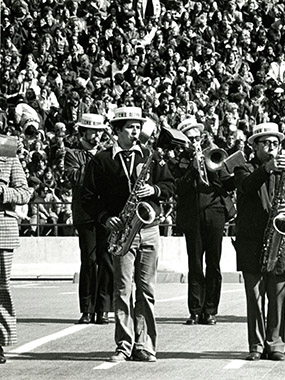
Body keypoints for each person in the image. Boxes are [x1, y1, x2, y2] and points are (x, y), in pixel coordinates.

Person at [82, 107, 175, 362]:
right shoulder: (101, 160)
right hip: (123, 230)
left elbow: (169, 186)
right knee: (122, 290)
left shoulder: (150, 156)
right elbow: (88, 198)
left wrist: (153, 189)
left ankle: (144, 345)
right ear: (117, 131)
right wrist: (104, 218)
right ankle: (124, 344)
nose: (136, 132)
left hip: (149, 228)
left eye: (138, 127)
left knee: (147, 290)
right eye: (130, 128)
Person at [234, 122, 285, 361]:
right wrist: (266, 169)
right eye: (266, 143)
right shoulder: (244, 168)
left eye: (275, 144)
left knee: (279, 296)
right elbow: (246, 186)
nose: (272, 148)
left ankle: (276, 344)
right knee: (254, 297)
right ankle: (256, 346)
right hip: (251, 239)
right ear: (254, 146)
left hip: (281, 240)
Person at [171, 118, 236, 325]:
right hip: (192, 214)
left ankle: (210, 310)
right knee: (195, 264)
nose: (195, 141)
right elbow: (177, 187)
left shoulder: (214, 153)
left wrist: (223, 168)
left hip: (215, 211)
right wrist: (191, 167)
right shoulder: (179, 160)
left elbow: (228, 184)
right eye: (191, 138)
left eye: (197, 137)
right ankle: (195, 310)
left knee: (214, 263)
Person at [64, 113, 113, 325]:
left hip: (106, 212)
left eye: (100, 132)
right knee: (89, 260)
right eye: (93, 132)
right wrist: (98, 163)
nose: (98, 136)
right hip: (85, 213)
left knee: (106, 259)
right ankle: (87, 308)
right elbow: (74, 178)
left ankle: (103, 308)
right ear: (83, 132)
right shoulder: (73, 154)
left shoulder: (107, 153)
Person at [0, 137, 32, 364]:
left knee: (1, 288)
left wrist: (3, 192)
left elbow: (24, 192)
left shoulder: (7, 150)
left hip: (2, 231)